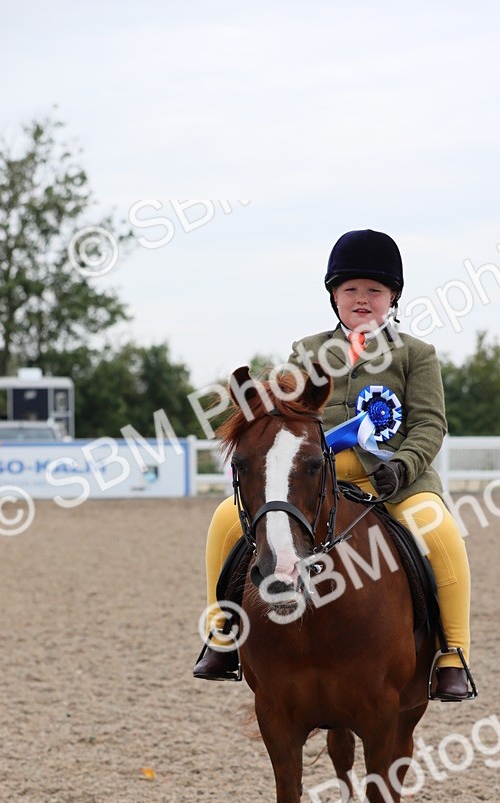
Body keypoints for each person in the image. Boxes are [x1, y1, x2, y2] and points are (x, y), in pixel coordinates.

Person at [195, 228, 475, 700]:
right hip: (315, 477)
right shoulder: (306, 351)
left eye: (374, 290)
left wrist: (403, 467)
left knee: (441, 533)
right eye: (351, 290)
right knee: (224, 519)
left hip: (396, 481)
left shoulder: (416, 355)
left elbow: (429, 425)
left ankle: (453, 655)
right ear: (334, 296)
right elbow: (285, 417)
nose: (361, 299)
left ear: (393, 298)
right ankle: (222, 633)